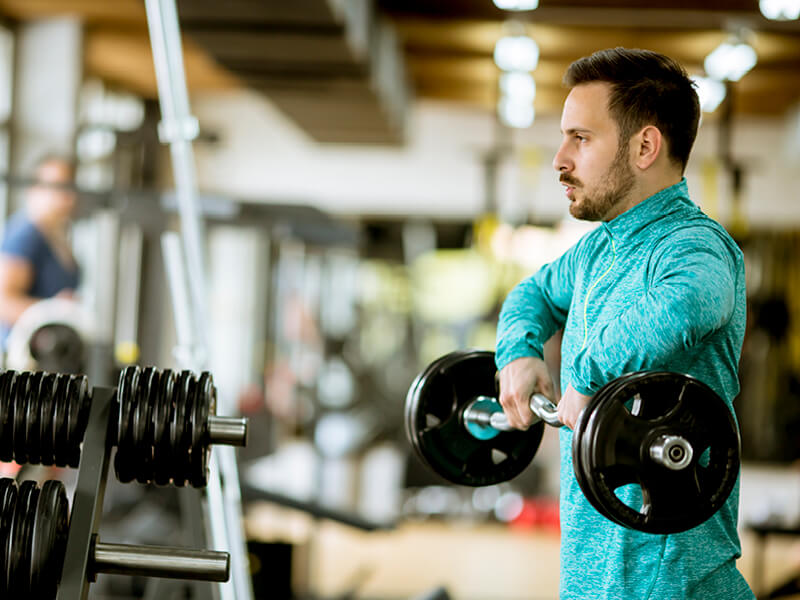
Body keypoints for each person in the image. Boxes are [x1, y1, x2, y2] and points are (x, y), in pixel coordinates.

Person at [495, 48, 753, 599]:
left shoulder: (693, 246)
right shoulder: (596, 252)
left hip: (672, 581)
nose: (560, 159)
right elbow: (532, 293)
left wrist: (583, 376)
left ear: (644, 146)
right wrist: (519, 352)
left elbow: (687, 305)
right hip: (593, 579)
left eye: (580, 139)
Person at [0, 154, 80, 350]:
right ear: (34, 188)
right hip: (19, 356)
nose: (66, 196)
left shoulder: (58, 235)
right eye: (57, 186)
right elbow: (3, 302)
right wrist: (54, 311)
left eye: (70, 186)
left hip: (48, 352)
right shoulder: (25, 236)